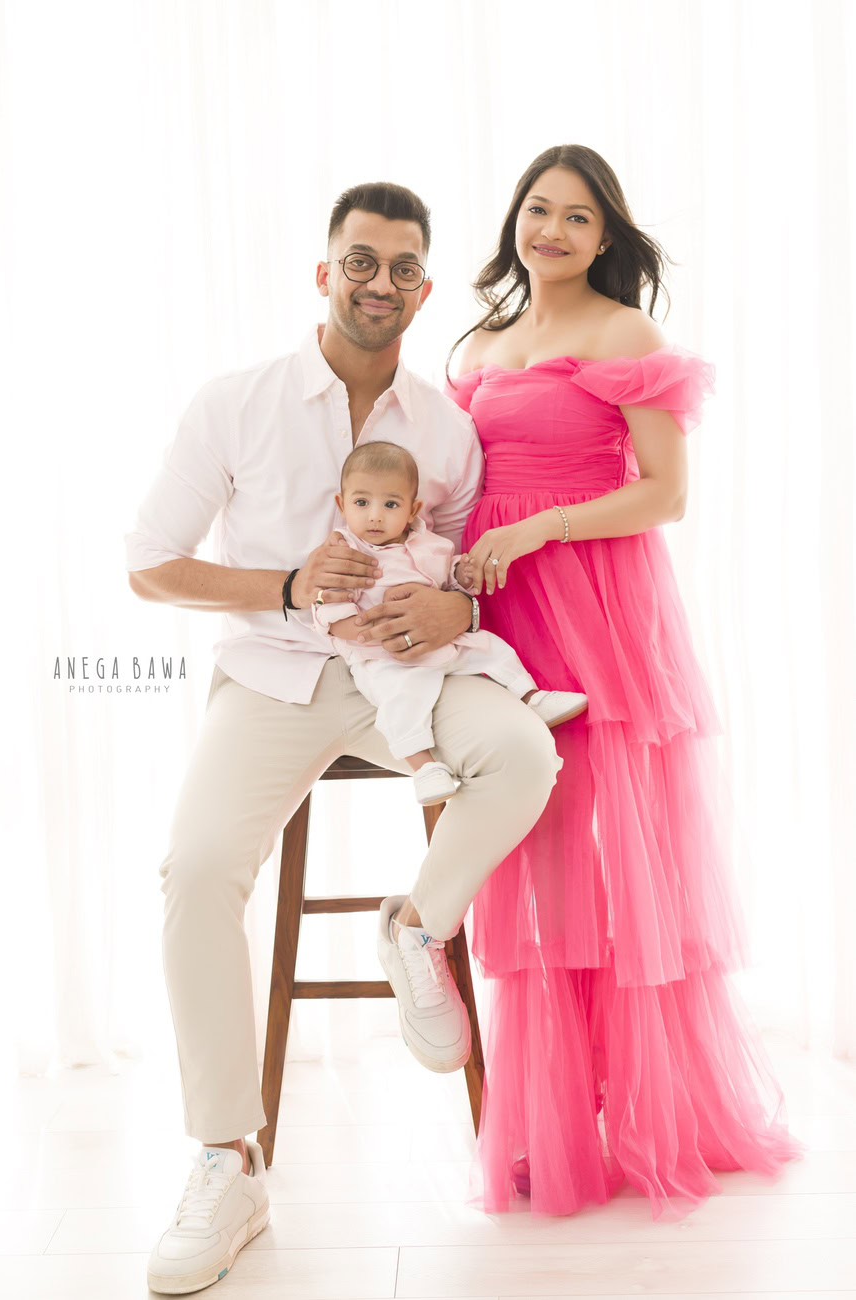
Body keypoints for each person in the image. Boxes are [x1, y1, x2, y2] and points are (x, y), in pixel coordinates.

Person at [125, 181, 563, 1294]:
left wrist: (456, 611)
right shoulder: (237, 401)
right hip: (274, 676)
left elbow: (468, 571)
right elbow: (149, 561)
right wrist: (282, 581)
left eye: (404, 266)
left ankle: (417, 927)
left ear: (424, 286)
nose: (381, 282)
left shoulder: (447, 428)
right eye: (360, 262)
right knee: (197, 869)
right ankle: (228, 1160)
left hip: (404, 676)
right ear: (324, 274)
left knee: (524, 752)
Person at [443, 143, 808, 1222]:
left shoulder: (624, 331)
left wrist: (547, 524)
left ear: (608, 239)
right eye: (539, 210)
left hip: (595, 605)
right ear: (516, 218)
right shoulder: (481, 340)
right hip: (502, 617)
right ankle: (553, 1115)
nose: (552, 230)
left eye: (578, 218)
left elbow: (665, 494)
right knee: (533, 853)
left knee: (622, 853)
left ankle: (648, 1109)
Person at [299, 438, 589, 805]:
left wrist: (463, 573)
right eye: (361, 503)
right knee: (402, 701)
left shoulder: (429, 543)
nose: (374, 516)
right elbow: (330, 603)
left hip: (444, 640)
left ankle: (530, 696)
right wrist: (361, 631)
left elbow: (447, 578)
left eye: (390, 504)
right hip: (384, 654)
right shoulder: (346, 550)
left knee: (492, 648)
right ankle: (424, 767)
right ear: (342, 505)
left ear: (412, 509)